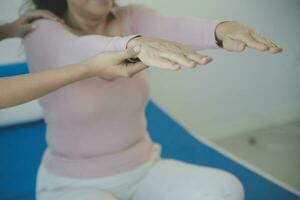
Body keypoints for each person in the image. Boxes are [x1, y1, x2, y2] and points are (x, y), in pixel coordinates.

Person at [22, 1, 283, 200]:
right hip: (74, 183)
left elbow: (176, 28)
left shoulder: (132, 18)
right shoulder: (41, 29)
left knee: (225, 189)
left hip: (145, 169)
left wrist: (221, 29)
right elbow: (75, 52)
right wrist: (134, 44)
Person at [0, 10, 149, 109]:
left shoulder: (131, 15)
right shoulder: (43, 28)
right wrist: (90, 67)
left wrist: (8, 29)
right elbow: (68, 50)